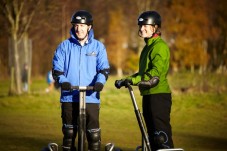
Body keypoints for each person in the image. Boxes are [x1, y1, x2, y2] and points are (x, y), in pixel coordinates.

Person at [115, 11, 174, 150]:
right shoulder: (147, 48)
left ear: (155, 27)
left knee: (161, 137)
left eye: (145, 25)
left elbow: (154, 74)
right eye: (140, 25)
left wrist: (135, 80)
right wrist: (127, 80)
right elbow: (142, 74)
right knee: (153, 138)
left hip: (159, 95)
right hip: (148, 95)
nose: (141, 28)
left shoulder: (160, 46)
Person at [52, 10, 110, 151]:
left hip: (91, 97)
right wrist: (63, 81)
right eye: (76, 25)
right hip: (69, 96)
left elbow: (104, 69)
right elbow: (57, 70)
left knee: (93, 135)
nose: (79, 28)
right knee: (69, 133)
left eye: (82, 25)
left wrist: (99, 83)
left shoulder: (98, 47)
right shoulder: (64, 46)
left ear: (89, 27)